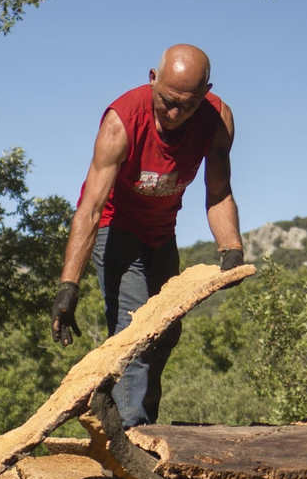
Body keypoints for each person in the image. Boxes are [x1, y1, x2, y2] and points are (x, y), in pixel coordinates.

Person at [50, 43, 244, 427]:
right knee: (136, 332)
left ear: (205, 94)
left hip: (162, 232)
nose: (174, 113)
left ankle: (140, 424)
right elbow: (89, 209)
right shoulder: (121, 122)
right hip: (114, 227)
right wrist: (68, 284)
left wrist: (231, 249)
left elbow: (218, 190)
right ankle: (130, 437)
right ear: (152, 80)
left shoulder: (217, 119)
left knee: (166, 333)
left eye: (187, 105)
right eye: (167, 101)